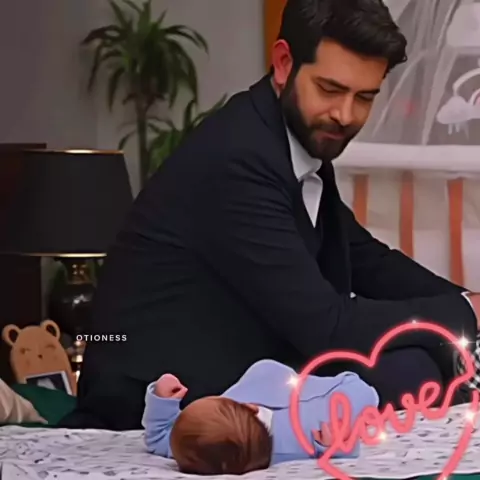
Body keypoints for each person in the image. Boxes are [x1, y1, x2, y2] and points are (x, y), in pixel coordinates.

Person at [60, 0, 480, 431]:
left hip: (238, 366)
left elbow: (365, 258)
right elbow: (327, 326)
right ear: (283, 63)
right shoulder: (238, 157)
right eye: (330, 89)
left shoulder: (293, 138)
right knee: (408, 370)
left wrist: (466, 301)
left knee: (416, 360)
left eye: (364, 97)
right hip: (151, 397)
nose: (345, 114)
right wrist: (465, 313)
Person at [142, 359, 379, 474]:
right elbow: (365, 394)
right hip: (335, 395)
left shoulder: (191, 448)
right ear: (251, 408)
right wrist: (335, 446)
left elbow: (158, 437)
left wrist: (162, 399)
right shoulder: (298, 444)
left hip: (291, 384)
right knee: (356, 395)